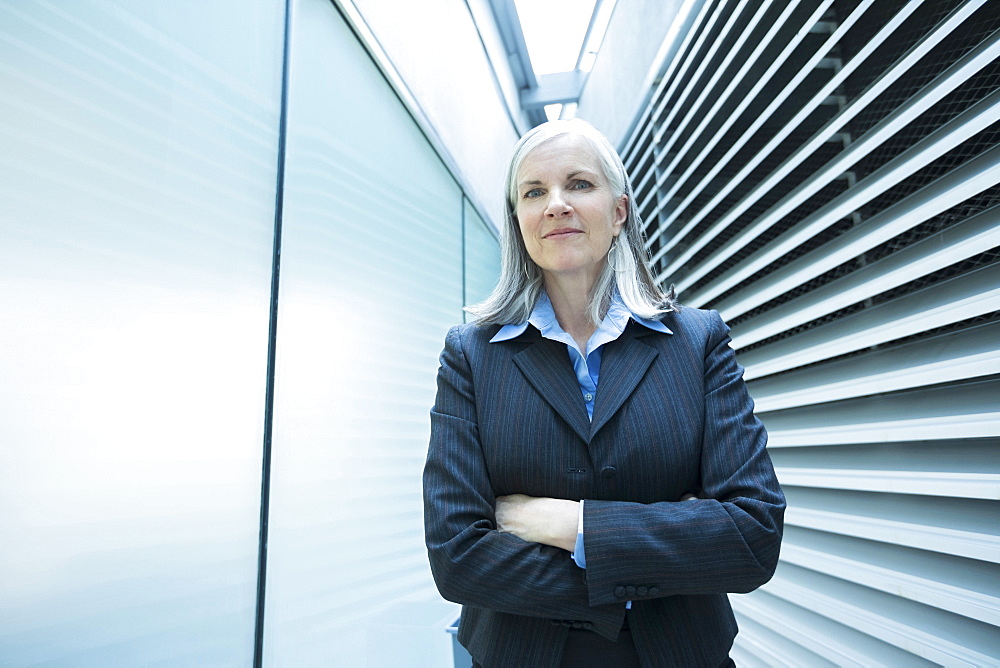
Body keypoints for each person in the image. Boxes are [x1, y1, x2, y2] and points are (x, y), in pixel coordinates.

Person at [423, 118, 785, 668]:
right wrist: (663, 561)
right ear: (519, 220)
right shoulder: (472, 355)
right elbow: (457, 557)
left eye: (580, 184)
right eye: (534, 192)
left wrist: (570, 526)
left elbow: (752, 536)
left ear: (619, 212)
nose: (556, 205)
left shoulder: (697, 341)